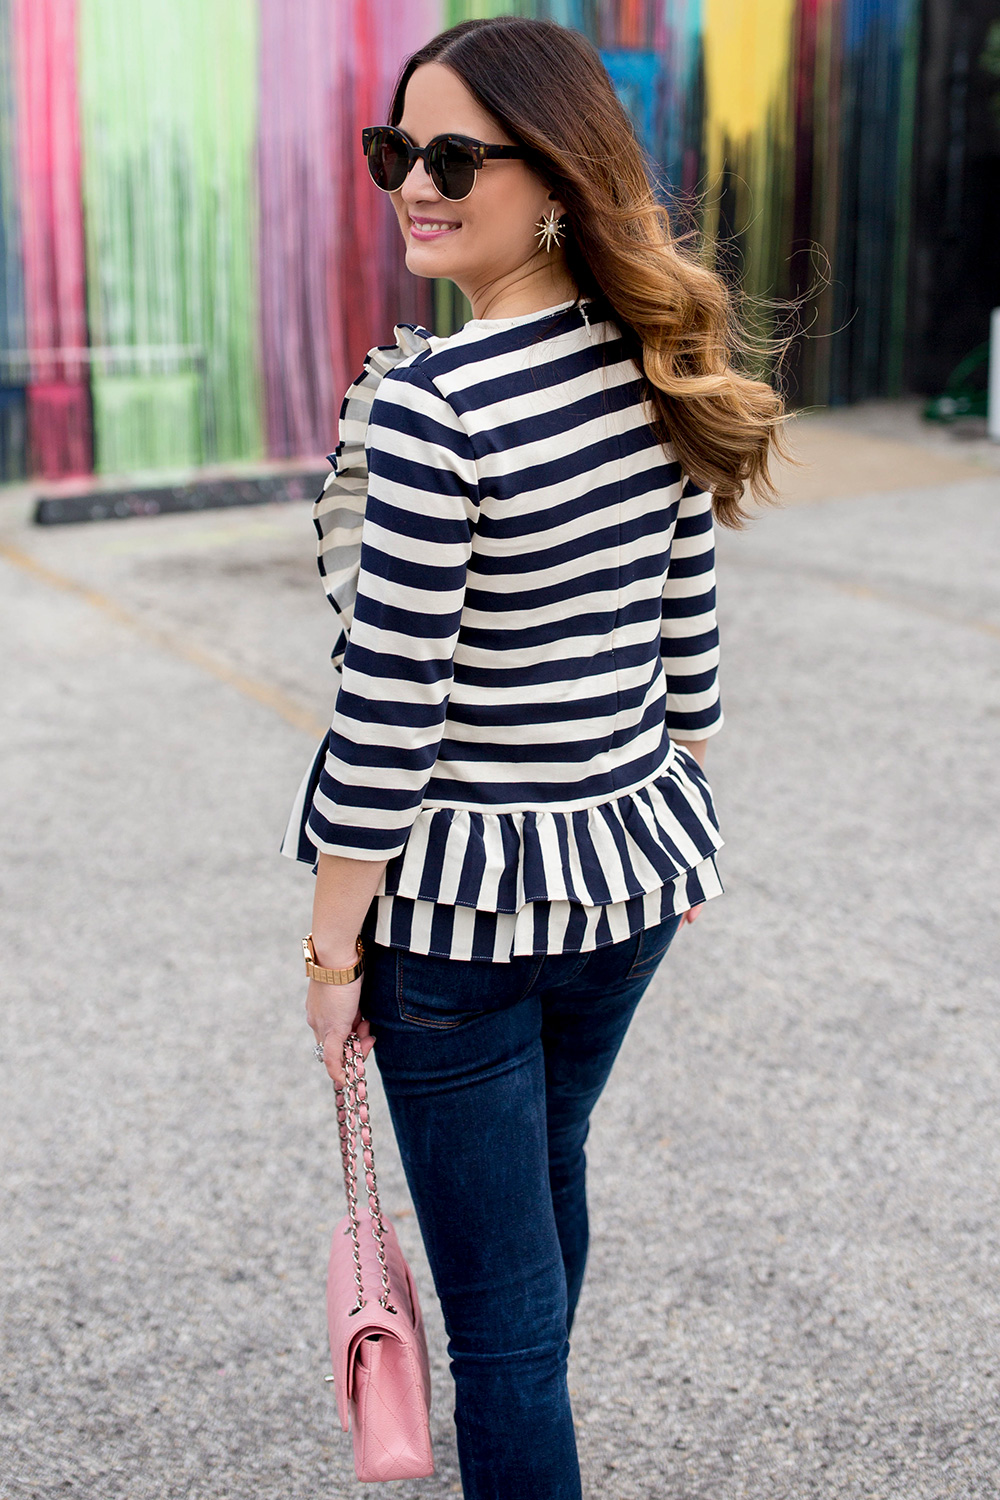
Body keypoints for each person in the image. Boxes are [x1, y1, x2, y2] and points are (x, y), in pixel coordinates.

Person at [283, 16, 787, 1497]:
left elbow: (387, 715)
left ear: (555, 177)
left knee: (500, 1340)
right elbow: (687, 637)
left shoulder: (438, 412)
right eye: (396, 153)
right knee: (546, 1166)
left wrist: (327, 960)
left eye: (454, 156)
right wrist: (679, 812)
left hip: (459, 923)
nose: (414, 186)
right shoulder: (659, 360)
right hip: (629, 890)